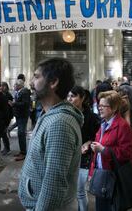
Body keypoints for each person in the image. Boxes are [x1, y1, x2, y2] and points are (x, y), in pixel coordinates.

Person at [18, 58, 83, 211]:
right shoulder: (50, 115)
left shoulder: (59, 123)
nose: (31, 82)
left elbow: (54, 183)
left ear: (53, 82)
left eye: (36, 76)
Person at [89, 90, 132, 211]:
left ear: (114, 108)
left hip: (115, 178)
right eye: (99, 105)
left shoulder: (123, 126)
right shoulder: (103, 124)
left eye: (103, 106)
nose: (100, 108)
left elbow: (126, 153)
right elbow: (98, 154)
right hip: (102, 175)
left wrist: (103, 149)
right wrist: (92, 172)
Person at [67, 86, 100, 211]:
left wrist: (89, 142)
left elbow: (98, 137)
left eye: (73, 96)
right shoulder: (66, 115)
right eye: (68, 96)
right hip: (68, 158)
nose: (70, 99)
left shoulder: (91, 117)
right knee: (71, 191)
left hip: (84, 158)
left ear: (82, 98)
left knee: (80, 190)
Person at [10, 79, 31, 161]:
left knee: (21, 133)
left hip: (22, 115)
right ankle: (22, 151)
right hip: (19, 115)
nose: (14, 86)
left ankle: (23, 153)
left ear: (20, 85)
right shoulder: (19, 92)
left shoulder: (24, 92)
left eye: (15, 84)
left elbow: (25, 104)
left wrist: (14, 104)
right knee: (20, 134)